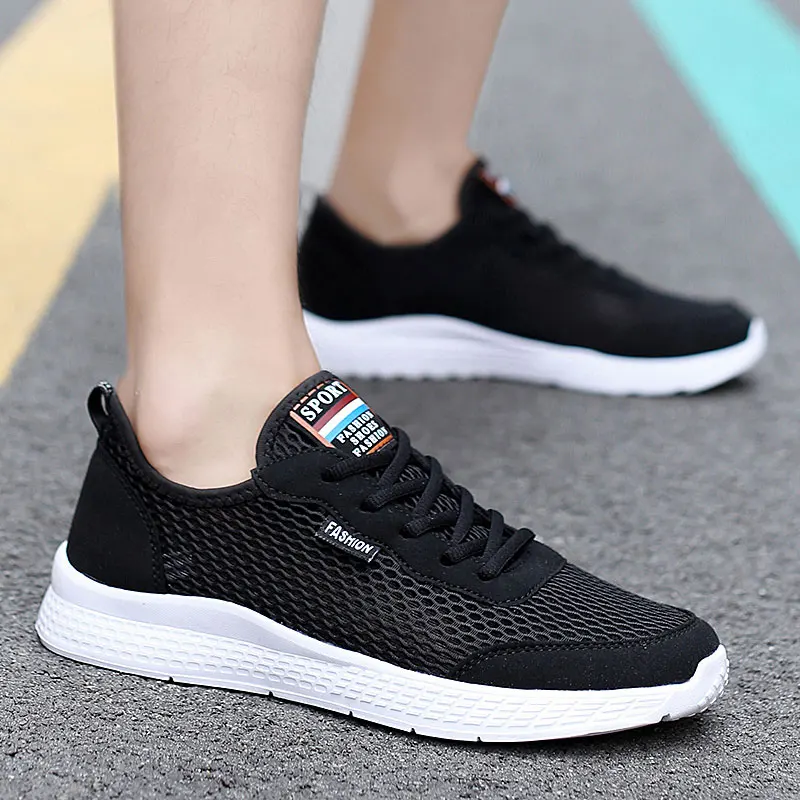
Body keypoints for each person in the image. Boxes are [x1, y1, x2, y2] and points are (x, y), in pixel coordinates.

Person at [35, 1, 736, 742]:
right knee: (238, 395)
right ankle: (210, 415)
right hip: (207, 470)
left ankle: (404, 189)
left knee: (404, 186)